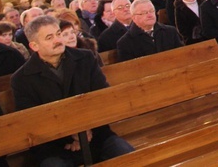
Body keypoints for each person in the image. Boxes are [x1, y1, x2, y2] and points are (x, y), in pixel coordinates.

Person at [10, 15, 134, 164]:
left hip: (95, 134)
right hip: (54, 146)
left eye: (58, 34)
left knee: (128, 155)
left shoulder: (85, 58)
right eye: (49, 38)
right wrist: (72, 135)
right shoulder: (22, 78)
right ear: (34, 46)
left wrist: (85, 130)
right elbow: (33, 121)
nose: (57, 40)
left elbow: (103, 97)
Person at [116, 0, 183, 61]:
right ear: (134, 17)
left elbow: (182, 56)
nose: (150, 15)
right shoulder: (125, 43)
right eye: (144, 13)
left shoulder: (170, 32)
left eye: (151, 11)